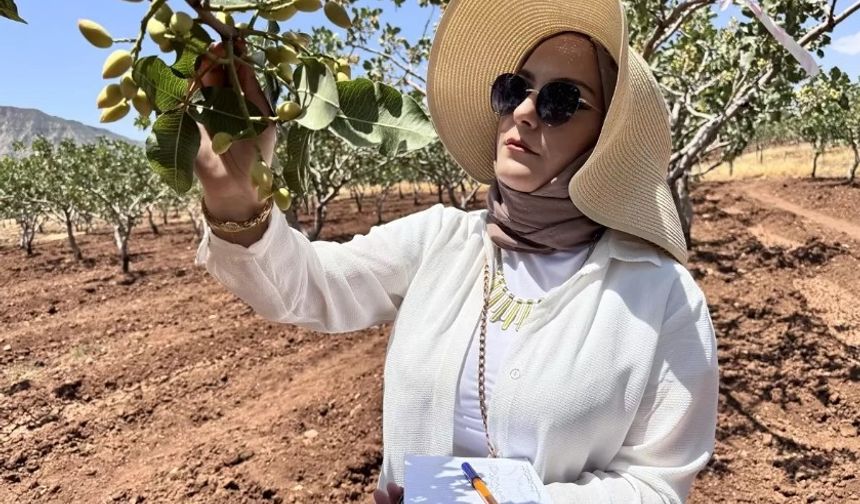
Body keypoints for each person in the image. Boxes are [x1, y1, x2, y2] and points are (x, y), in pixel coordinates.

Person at [193, 0, 719, 502]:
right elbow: (306, 287)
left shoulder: (663, 298)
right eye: (514, 90)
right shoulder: (440, 241)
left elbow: (654, 487)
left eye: (561, 101)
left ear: (609, 137)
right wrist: (238, 199)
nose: (526, 112)